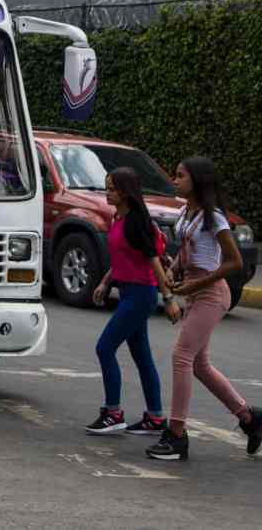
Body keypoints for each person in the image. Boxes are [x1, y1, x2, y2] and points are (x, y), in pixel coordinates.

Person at [147, 157, 262, 461]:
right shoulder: (186, 213)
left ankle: (176, 435)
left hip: (211, 294)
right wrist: (173, 270)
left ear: (197, 181)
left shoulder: (215, 218)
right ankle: (250, 419)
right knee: (199, 365)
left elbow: (234, 262)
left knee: (181, 357)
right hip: (195, 292)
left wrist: (195, 285)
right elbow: (186, 251)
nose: (175, 180)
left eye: (180, 176)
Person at [86, 167, 178, 436]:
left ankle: (113, 413)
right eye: (107, 187)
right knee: (142, 357)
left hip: (141, 295)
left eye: (112, 188)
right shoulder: (119, 218)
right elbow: (122, 259)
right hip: (128, 292)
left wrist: (169, 299)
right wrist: (105, 282)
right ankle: (155, 418)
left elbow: (153, 262)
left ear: (126, 193)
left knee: (104, 348)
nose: (107, 192)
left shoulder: (138, 222)